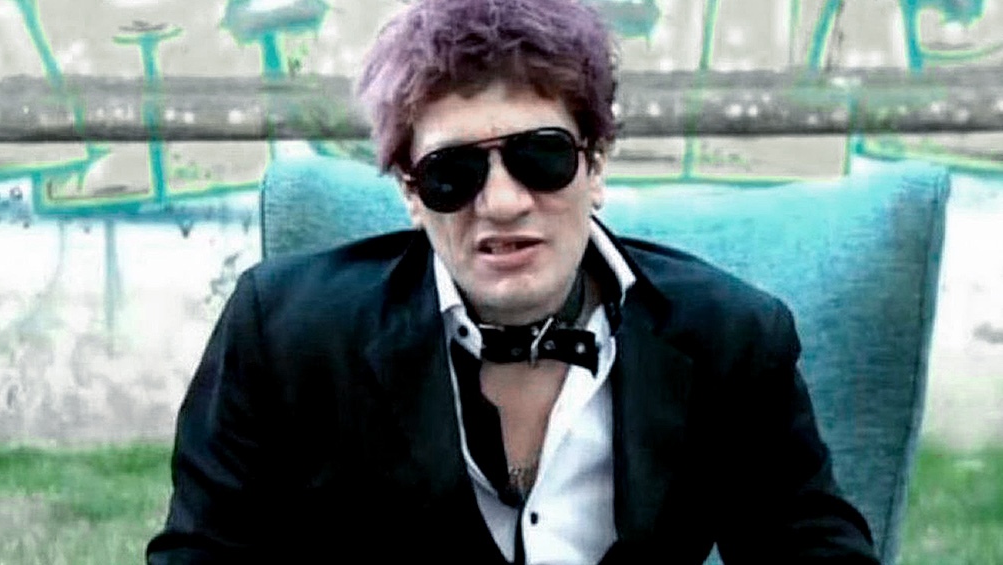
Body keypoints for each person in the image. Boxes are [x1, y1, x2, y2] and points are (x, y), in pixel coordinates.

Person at [147, 0, 880, 563]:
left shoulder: (732, 337)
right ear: (411, 194)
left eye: (542, 156)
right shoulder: (283, 333)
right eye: (453, 172)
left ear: (595, 165)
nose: (501, 202)